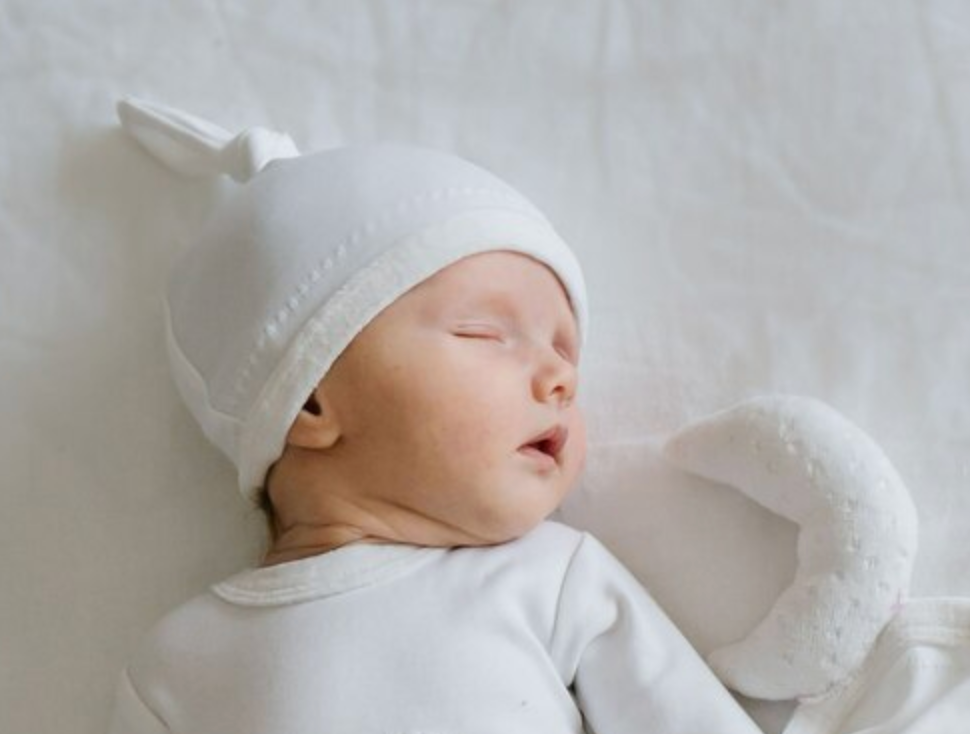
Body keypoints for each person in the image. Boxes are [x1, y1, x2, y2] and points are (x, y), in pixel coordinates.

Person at [107, 97, 763, 734]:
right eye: (484, 333)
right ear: (309, 399)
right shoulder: (180, 663)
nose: (562, 378)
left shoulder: (551, 580)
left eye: (565, 350)